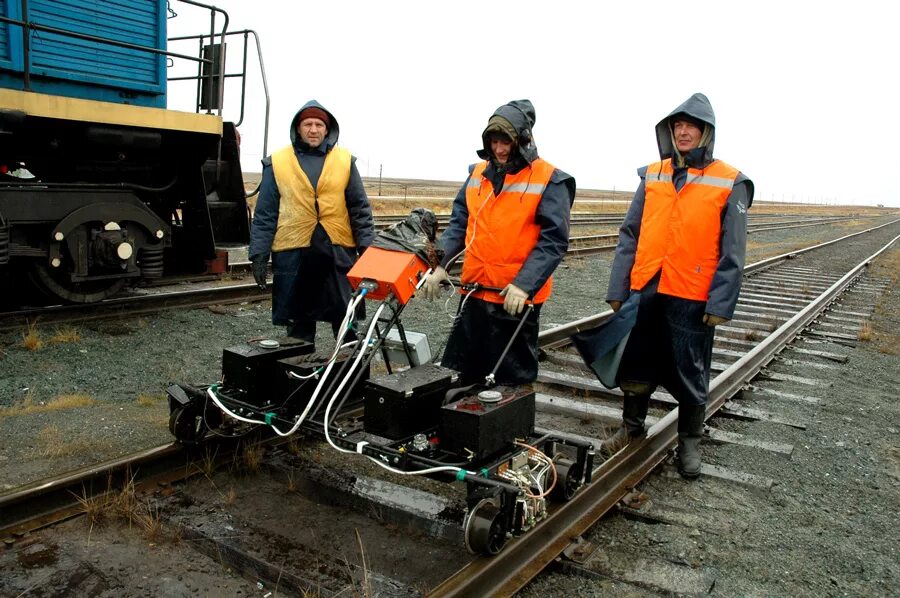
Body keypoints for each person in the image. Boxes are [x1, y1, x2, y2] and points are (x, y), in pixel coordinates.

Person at [604, 92, 754, 479]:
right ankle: (630, 428)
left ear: (706, 132)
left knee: (690, 371)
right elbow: (630, 233)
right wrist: (619, 288)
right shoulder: (652, 174)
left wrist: (721, 302)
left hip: (692, 294)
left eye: (691, 126)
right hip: (647, 286)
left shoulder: (730, 181)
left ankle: (689, 442)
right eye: (678, 125)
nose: (683, 132)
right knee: (636, 364)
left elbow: (733, 250)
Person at [422, 99, 575, 386]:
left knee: (510, 378)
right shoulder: (477, 175)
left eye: (506, 141)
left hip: (514, 296)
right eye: (494, 141)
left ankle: (510, 431)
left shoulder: (550, 179)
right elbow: (459, 222)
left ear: (523, 140)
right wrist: (441, 264)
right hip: (475, 289)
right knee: (463, 370)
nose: (500, 149)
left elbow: (553, 241)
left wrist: (525, 284)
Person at [249, 100, 374, 347]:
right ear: (298, 128)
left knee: (345, 320)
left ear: (327, 130)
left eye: (319, 124)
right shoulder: (278, 161)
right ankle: (298, 377)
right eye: (308, 124)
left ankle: (350, 373)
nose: (313, 129)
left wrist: (368, 251)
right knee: (298, 326)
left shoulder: (345, 161)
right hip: (294, 254)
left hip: (337, 253)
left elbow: (360, 210)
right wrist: (258, 254)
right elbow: (265, 214)